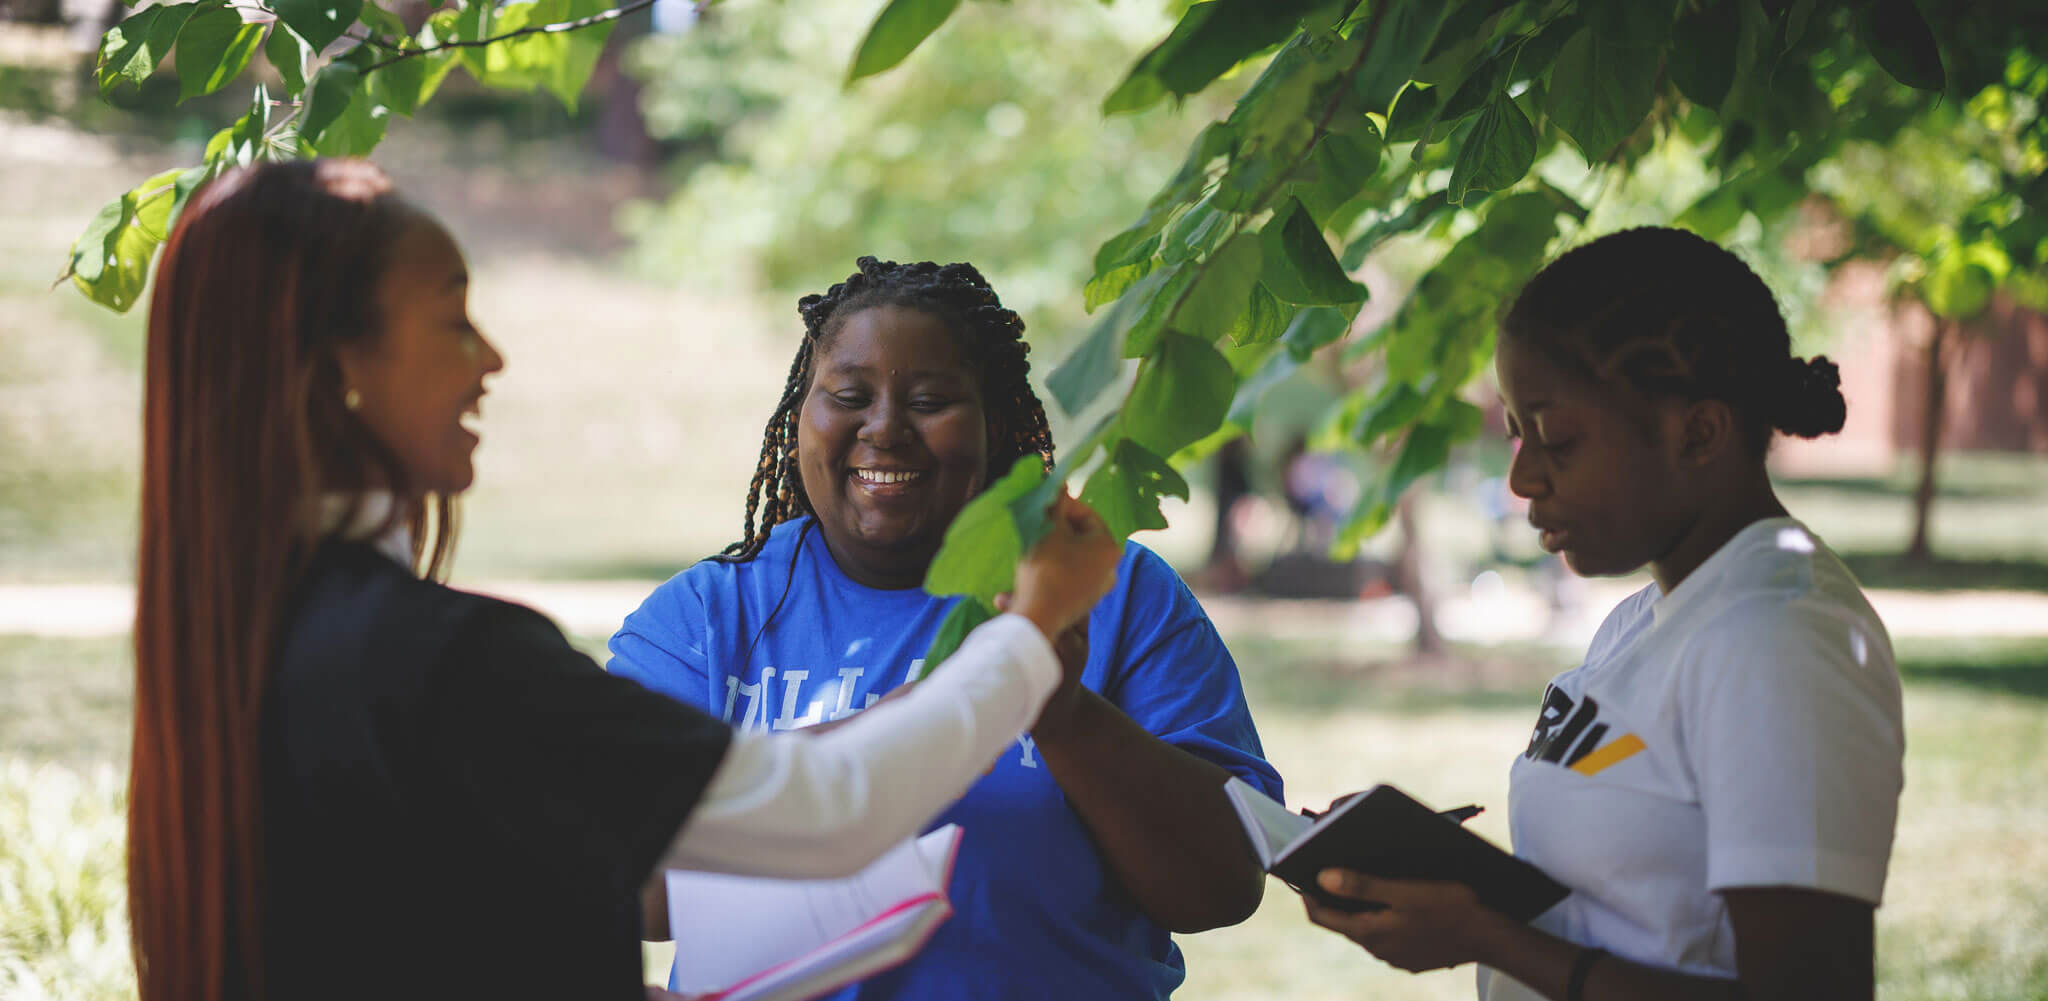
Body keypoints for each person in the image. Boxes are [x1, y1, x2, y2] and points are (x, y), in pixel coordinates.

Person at [125, 159, 1124, 1001]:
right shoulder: (446, 662)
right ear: (337, 368)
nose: (492, 359)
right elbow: (832, 809)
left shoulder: (240, 633)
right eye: (452, 321)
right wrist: (1029, 632)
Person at [609, 256, 1282, 1000]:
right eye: (848, 395)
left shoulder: (1108, 591)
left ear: (996, 423)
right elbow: (612, 871)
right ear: (801, 414)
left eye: (929, 399)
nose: (885, 428)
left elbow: (1226, 883)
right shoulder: (705, 618)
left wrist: (1063, 715)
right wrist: (981, 695)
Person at [1302, 227, 1904, 1000]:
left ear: (1699, 432)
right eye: (1517, 433)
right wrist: (1444, 877)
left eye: (1555, 437)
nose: (1520, 477)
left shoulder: (1780, 640)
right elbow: (1627, 897)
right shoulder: (1645, 618)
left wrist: (1489, 938)